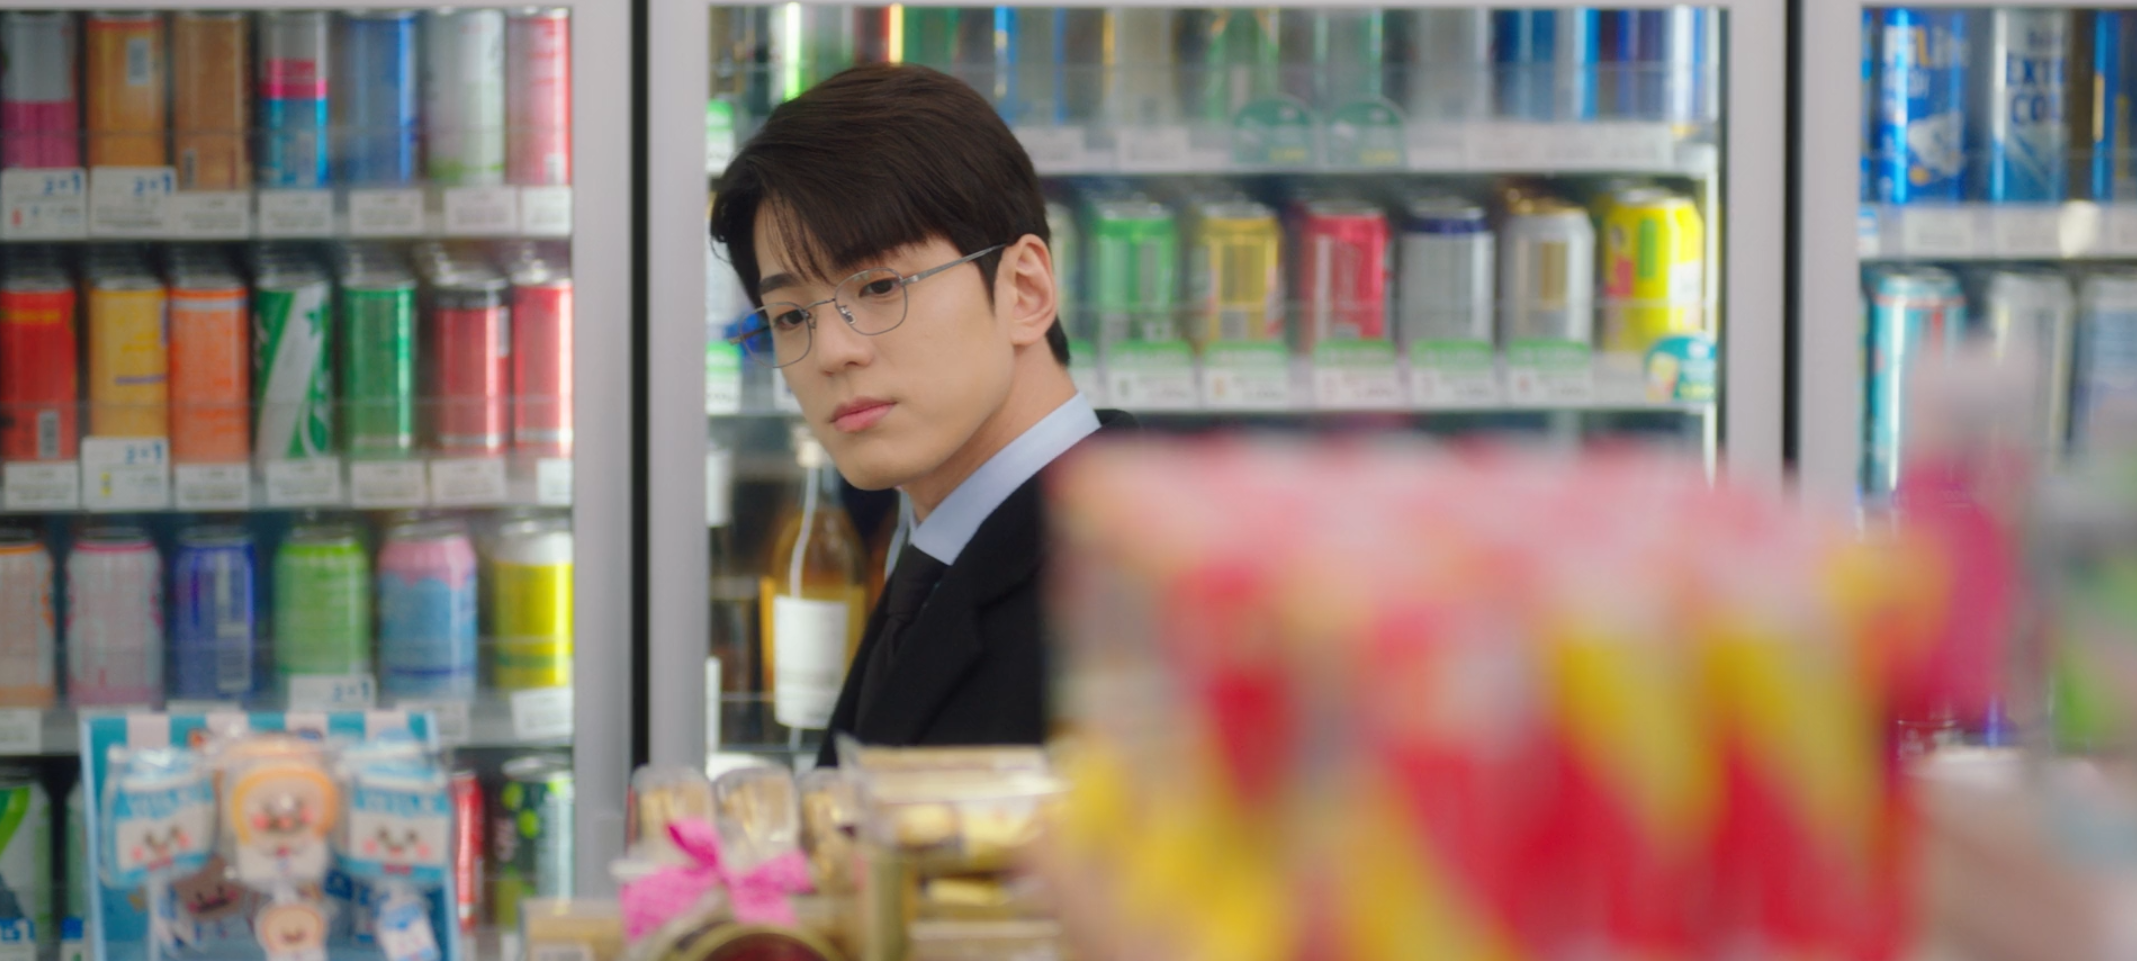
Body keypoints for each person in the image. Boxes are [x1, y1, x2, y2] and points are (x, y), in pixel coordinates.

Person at [708, 63, 1134, 766]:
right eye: (790, 316)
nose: (832, 352)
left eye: (879, 286)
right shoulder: (936, 544)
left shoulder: (1131, 600)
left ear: (1024, 290)